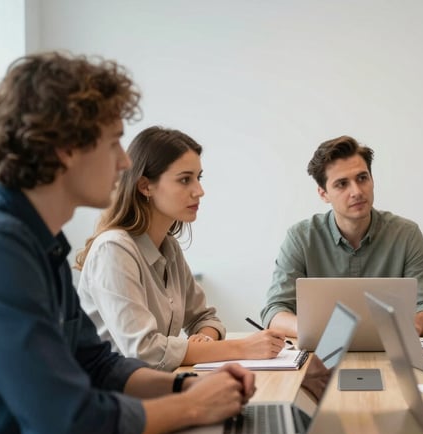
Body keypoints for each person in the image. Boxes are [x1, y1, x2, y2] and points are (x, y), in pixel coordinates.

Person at [0, 52, 256, 434]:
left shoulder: (42, 244)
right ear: (65, 147)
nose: (123, 162)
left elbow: (96, 363)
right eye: (113, 142)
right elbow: (68, 424)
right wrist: (191, 408)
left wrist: (183, 386)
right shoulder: (1, 249)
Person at [76, 126, 285, 372]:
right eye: (185, 179)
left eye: (199, 178)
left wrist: (204, 340)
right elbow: (145, 351)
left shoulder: (168, 247)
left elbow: (204, 318)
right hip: (113, 399)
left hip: (151, 388)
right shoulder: (113, 250)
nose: (199, 191)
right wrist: (243, 348)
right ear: (145, 186)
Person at [261, 135, 423, 336]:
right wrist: (318, 332)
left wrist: (413, 325)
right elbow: (275, 310)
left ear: (372, 180)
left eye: (362, 178)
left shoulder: (406, 234)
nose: (357, 191)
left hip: (392, 350)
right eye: (342, 184)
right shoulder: (301, 237)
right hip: (320, 352)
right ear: (323, 194)